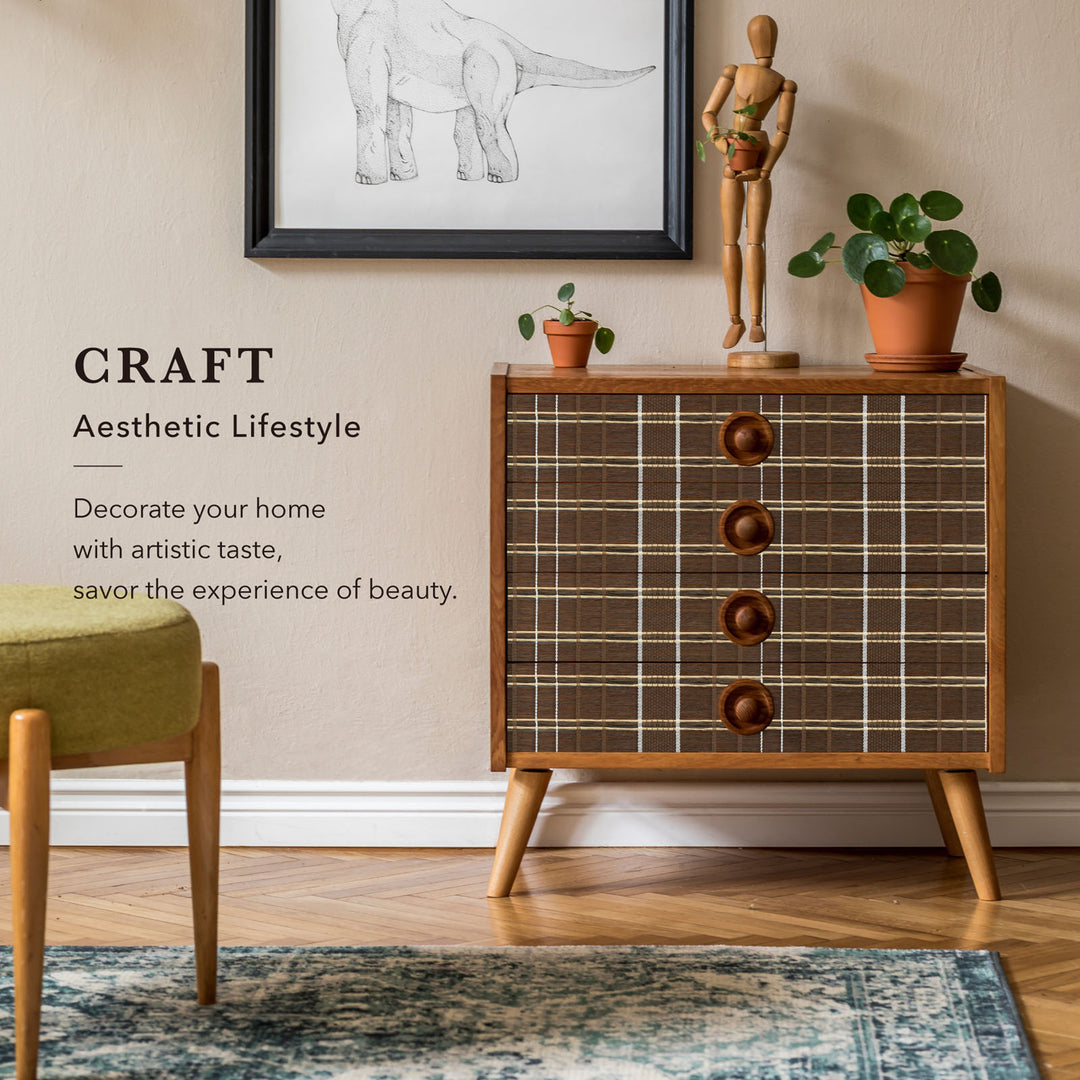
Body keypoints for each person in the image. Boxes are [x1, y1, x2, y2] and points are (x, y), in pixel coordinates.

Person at [701, 15, 797, 350]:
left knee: (754, 242)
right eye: (761, 38)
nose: (764, 45)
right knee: (731, 242)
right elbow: (709, 114)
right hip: (736, 151)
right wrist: (722, 144)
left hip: (757, 152)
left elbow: (783, 131)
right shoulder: (734, 71)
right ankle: (735, 320)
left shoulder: (785, 84)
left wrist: (766, 169)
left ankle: (756, 322)